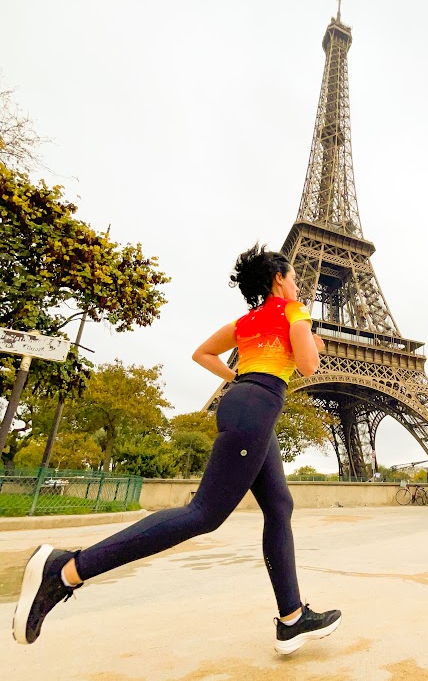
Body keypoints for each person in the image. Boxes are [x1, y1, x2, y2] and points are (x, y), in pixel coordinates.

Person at [13, 244, 342, 655]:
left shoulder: (246, 321)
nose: (295, 284)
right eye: (293, 277)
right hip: (258, 408)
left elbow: (201, 353)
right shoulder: (294, 312)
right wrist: (308, 333)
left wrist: (238, 374)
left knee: (279, 506)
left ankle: (292, 618)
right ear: (279, 279)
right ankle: (65, 570)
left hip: (244, 401)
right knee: (203, 514)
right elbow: (308, 365)